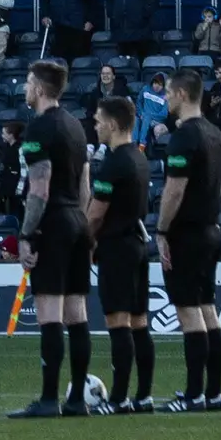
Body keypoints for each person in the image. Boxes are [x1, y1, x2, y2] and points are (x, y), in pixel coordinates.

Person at [8, 60, 97, 418]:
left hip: (55, 223)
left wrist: (27, 234)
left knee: (49, 314)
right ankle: (76, 400)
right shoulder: (76, 127)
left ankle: (48, 399)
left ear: (41, 88)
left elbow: (39, 189)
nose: (25, 89)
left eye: (29, 83)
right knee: (77, 314)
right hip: (78, 219)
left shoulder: (38, 130)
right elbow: (85, 186)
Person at [85, 93, 158, 414]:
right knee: (140, 322)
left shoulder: (114, 161)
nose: (95, 126)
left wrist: (84, 243)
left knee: (118, 321)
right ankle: (143, 396)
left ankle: (118, 399)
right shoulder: (139, 157)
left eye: (99, 121)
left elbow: (97, 213)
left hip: (117, 247)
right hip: (138, 245)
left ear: (113, 124)